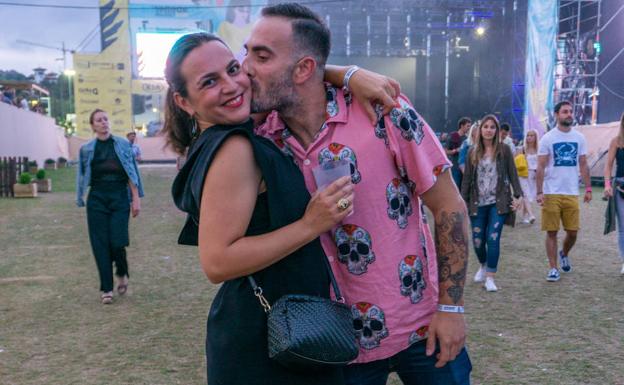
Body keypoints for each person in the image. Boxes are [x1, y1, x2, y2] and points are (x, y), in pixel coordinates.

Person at [245, 4, 471, 384]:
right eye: (246, 53)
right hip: (331, 341)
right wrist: (345, 72)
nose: (246, 66)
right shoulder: (261, 136)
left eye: (262, 56)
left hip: (421, 327)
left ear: (303, 69)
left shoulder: (383, 112)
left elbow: (448, 206)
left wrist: (451, 308)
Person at [164, 32, 399, 385]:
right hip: (268, 342)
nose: (231, 86)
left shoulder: (230, 133)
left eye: (232, 69)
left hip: (282, 330)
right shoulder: (234, 149)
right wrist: (310, 224)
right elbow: (217, 262)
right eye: (210, 82)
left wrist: (347, 74)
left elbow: (293, 77)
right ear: (184, 102)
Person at [75, 109, 144, 304]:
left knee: (118, 240)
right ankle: (106, 288)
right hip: (97, 198)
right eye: (99, 120)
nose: (104, 122)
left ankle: (121, 272)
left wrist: (136, 198)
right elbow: (81, 175)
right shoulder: (87, 149)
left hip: (119, 197)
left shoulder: (122, 144)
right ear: (93, 126)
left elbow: (131, 171)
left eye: (106, 119)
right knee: (100, 244)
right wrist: (80, 196)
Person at [461, 115, 522, 292]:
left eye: (492, 127)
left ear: (496, 131)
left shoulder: (504, 150)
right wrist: (462, 201)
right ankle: (483, 264)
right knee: (478, 241)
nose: (489, 130)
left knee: (492, 238)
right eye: (486, 127)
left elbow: (513, 174)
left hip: (499, 203)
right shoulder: (472, 152)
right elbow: (466, 181)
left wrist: (518, 196)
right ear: (480, 130)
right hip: (476, 203)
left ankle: (490, 277)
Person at [536, 101, 591, 282]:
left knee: (573, 232)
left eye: (570, 111)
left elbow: (583, 164)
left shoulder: (579, 138)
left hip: (571, 192)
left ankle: (564, 253)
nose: (569, 114)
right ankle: (553, 268)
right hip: (551, 192)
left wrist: (588, 188)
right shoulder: (548, 138)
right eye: (565, 112)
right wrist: (539, 192)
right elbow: (541, 167)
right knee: (551, 232)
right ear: (557, 115)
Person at [603, 112, 624, 275]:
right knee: (623, 228)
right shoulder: (616, 142)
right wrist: (607, 184)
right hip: (620, 187)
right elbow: (608, 166)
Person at [517, 129, 539, 224]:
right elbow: (516, 161)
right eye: (528, 135)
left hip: (534, 175)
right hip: (523, 174)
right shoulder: (522, 149)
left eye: (532, 135)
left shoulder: (539, 149)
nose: (529, 137)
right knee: (526, 194)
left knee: (530, 196)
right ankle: (531, 215)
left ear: (535, 137)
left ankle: (525, 216)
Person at [446, 117, 471, 188]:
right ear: (462, 126)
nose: (469, 128)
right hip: (454, 166)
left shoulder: (468, 139)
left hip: (464, 167)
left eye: (470, 126)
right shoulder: (452, 136)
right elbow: (445, 151)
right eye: (467, 126)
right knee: (455, 186)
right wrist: (456, 150)